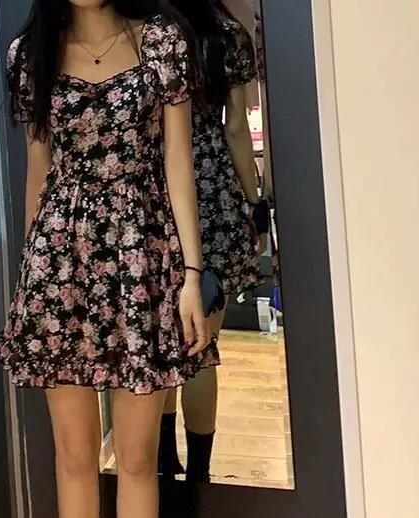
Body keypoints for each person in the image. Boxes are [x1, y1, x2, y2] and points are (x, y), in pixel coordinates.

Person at [0, 1, 219, 518]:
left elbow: (178, 163)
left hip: (142, 261)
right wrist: (31, 282)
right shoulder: (29, 56)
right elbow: (39, 174)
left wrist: (190, 274)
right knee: (74, 455)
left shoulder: (162, 42)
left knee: (139, 456)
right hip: (60, 267)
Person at [159, 0, 264, 483]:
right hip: (214, 195)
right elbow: (237, 128)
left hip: (157, 191)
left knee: (161, 342)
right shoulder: (228, 34)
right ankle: (200, 478)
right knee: (202, 348)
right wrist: (254, 198)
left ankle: (163, 462)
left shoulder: (146, 31)